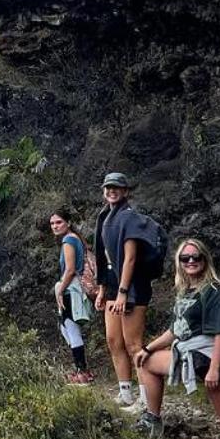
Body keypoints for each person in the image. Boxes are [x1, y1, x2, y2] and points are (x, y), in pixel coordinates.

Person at [133, 238, 220, 439]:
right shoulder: (187, 291)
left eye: (195, 257)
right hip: (191, 355)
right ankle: (152, 420)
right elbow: (175, 330)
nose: (190, 262)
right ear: (179, 263)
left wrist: (215, 368)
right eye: (185, 258)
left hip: (214, 358)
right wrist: (148, 348)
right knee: (146, 362)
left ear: (205, 259)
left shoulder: (216, 290)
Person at [93, 172, 160, 410]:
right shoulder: (105, 217)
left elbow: (130, 258)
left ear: (125, 191)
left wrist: (123, 292)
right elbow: (104, 256)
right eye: (108, 188)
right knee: (114, 341)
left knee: (134, 344)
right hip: (112, 287)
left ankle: (145, 398)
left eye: (117, 188)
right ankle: (125, 392)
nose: (112, 191)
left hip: (132, 289)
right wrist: (103, 289)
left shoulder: (129, 218)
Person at [49, 207, 94, 384]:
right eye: (52, 223)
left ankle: (81, 372)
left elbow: (70, 270)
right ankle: (82, 369)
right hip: (75, 289)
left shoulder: (68, 240)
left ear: (68, 223)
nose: (55, 226)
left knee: (70, 327)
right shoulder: (76, 239)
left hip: (71, 290)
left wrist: (60, 290)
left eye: (59, 222)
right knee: (67, 327)